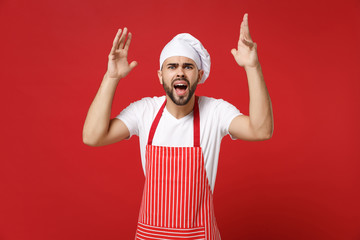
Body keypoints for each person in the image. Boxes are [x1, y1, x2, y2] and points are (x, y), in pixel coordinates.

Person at [83, 13, 273, 240]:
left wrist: (253, 67)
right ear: (160, 75)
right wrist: (111, 77)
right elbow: (92, 136)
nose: (180, 72)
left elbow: (261, 130)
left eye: (188, 66)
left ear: (199, 75)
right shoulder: (145, 111)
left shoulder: (215, 112)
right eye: (172, 66)